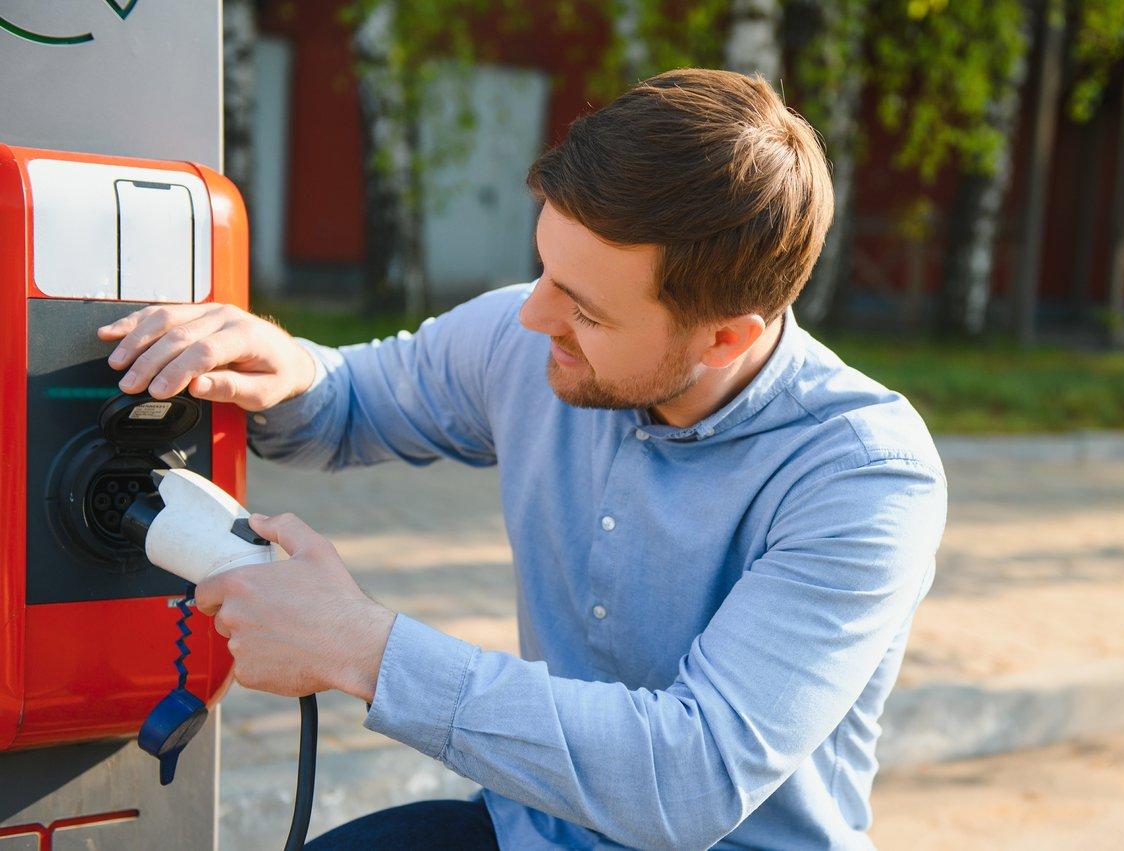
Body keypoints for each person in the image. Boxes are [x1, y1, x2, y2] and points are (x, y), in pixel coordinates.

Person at [98, 69, 947, 849]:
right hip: (530, 829)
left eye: (583, 308)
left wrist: (364, 647)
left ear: (727, 337)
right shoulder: (528, 332)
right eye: (542, 268)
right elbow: (351, 398)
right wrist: (280, 369)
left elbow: (690, 777)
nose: (533, 315)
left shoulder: (864, 476)